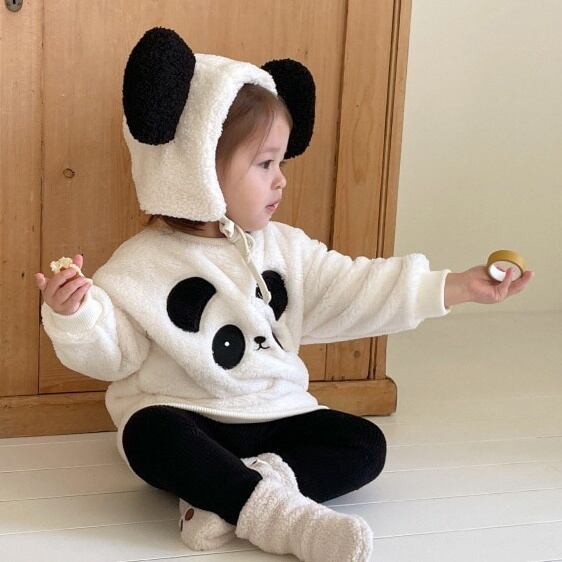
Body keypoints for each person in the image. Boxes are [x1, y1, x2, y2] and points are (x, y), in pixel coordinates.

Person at [34, 27, 534, 562]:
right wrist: (75, 314)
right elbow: (115, 354)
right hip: (188, 416)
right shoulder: (141, 263)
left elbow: (358, 288)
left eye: (281, 163)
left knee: (365, 445)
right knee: (147, 434)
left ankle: (228, 497)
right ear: (198, 168)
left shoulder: (287, 249)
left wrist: (456, 286)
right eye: (265, 164)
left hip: (276, 417)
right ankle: (280, 518)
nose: (281, 180)